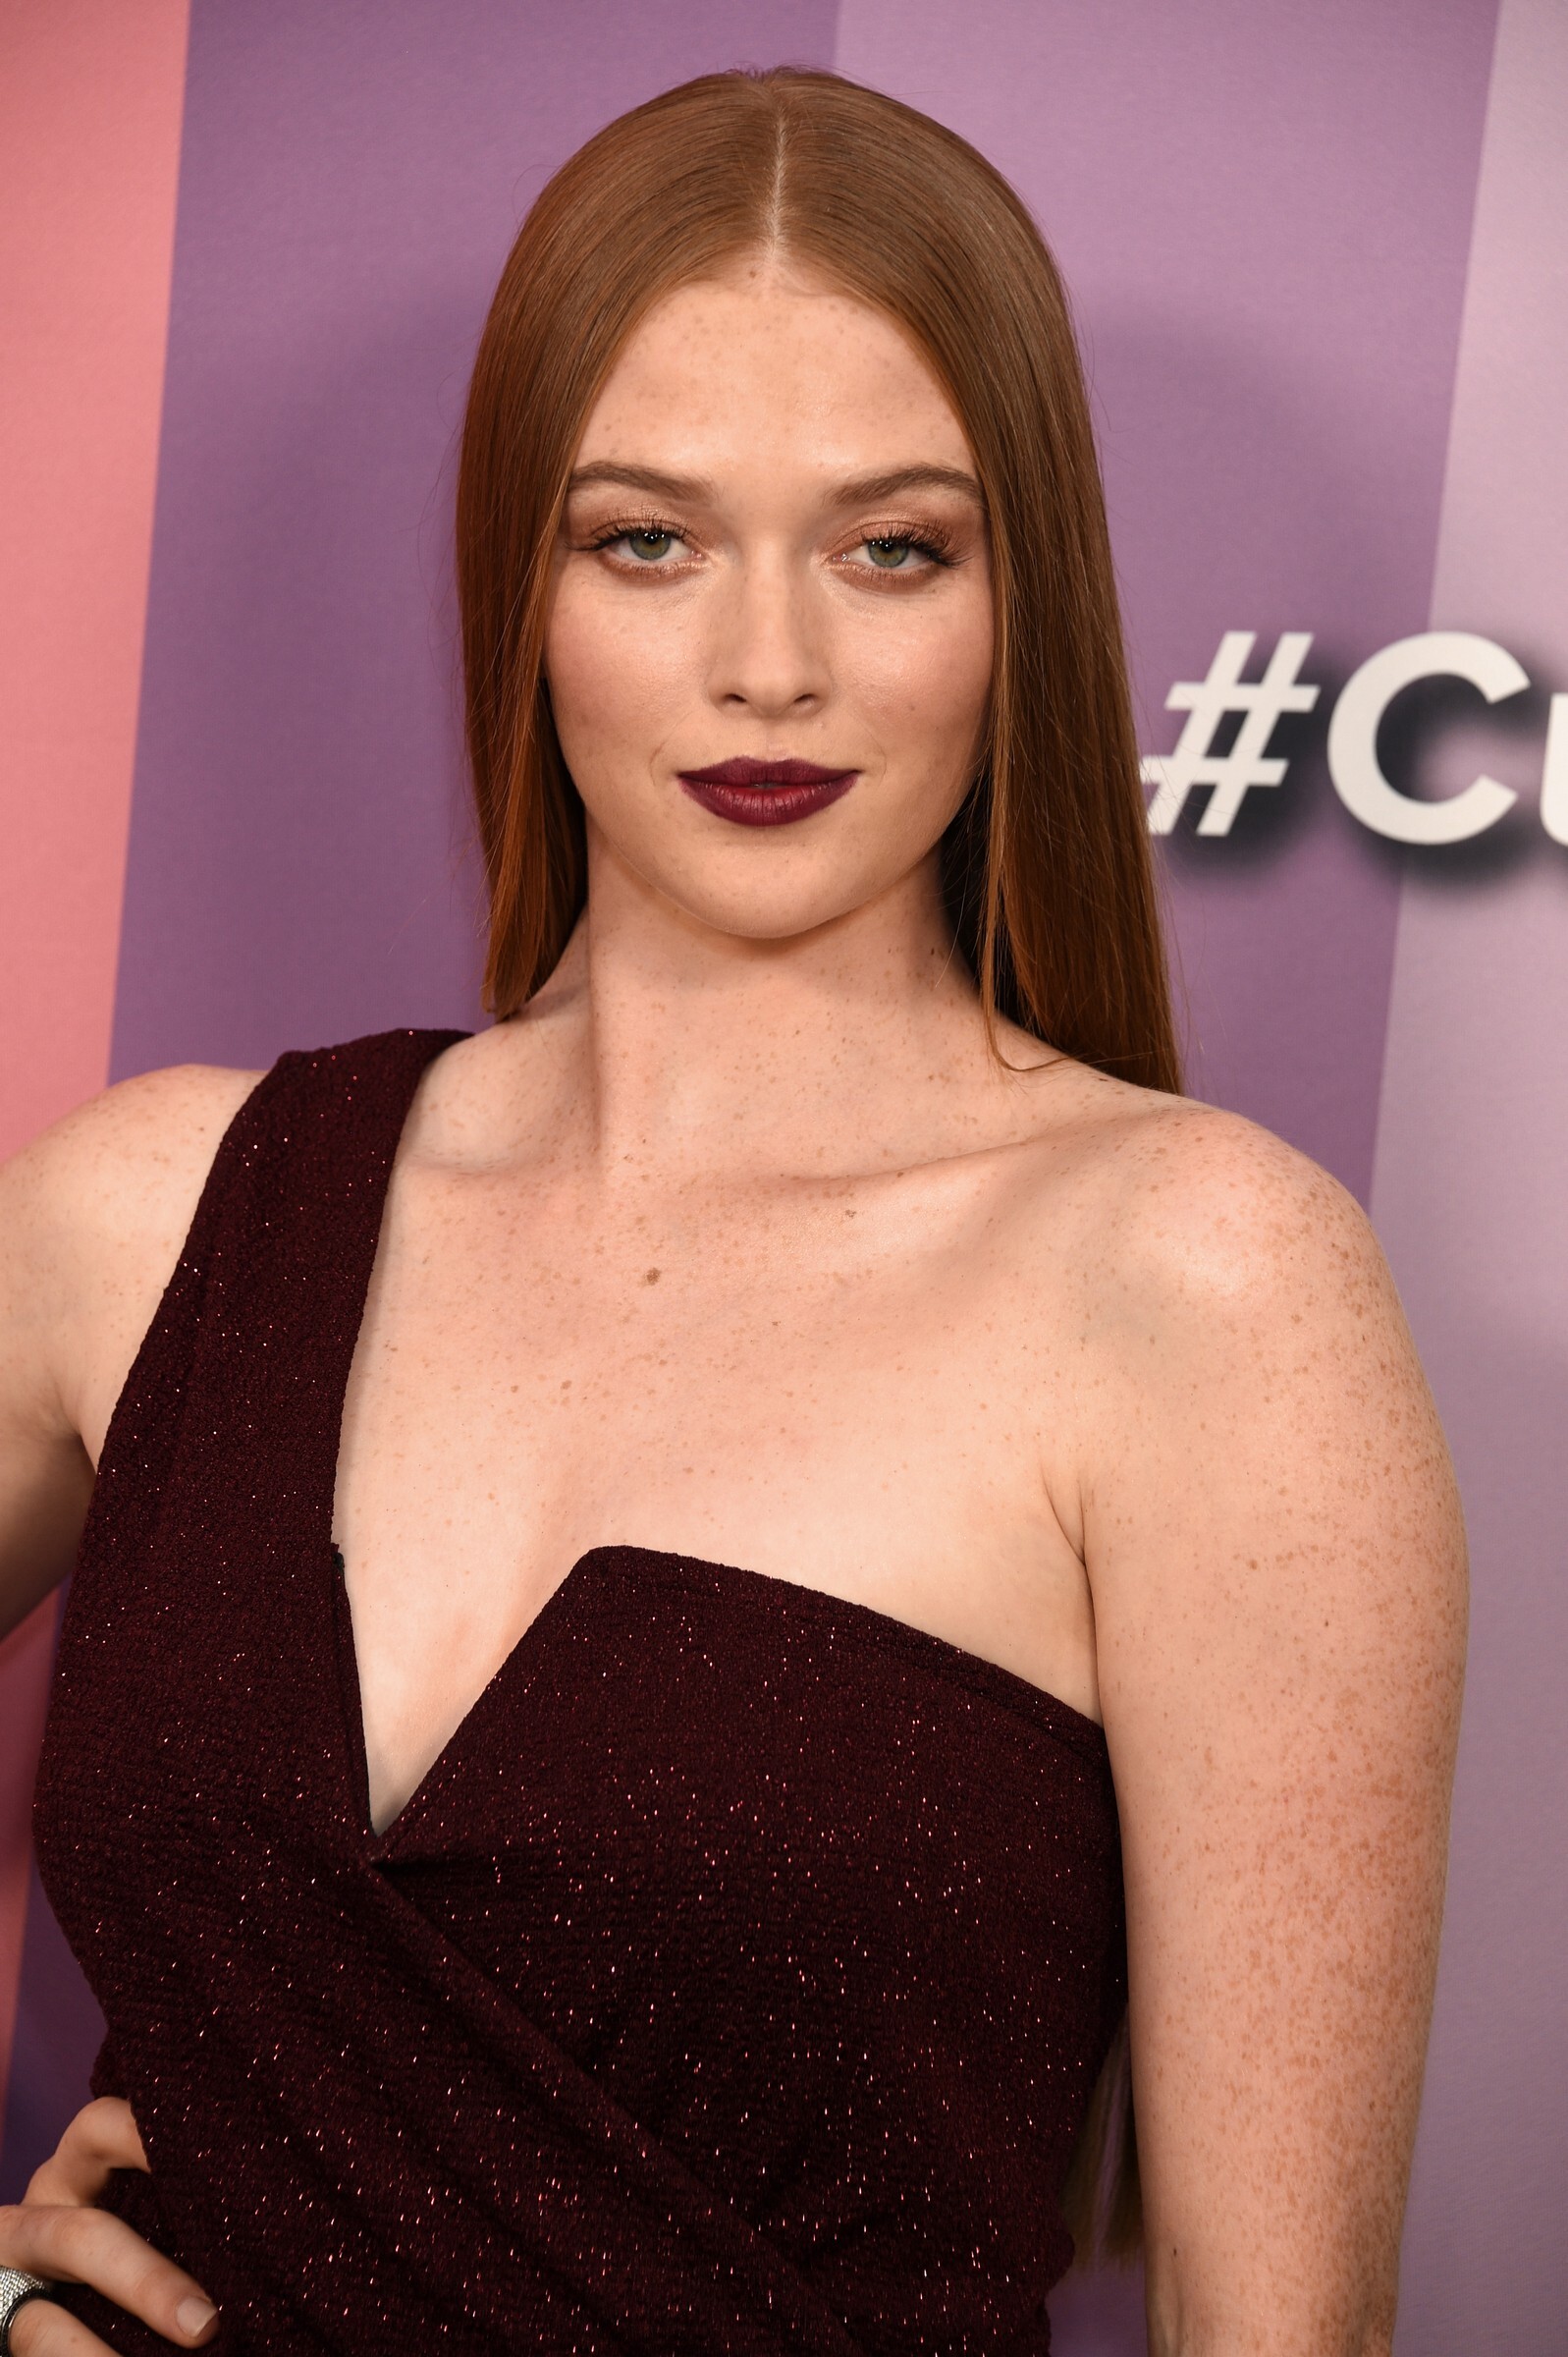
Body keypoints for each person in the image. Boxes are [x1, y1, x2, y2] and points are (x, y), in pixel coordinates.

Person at [0, 64, 1464, 2357]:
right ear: (522, 574)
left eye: (891, 547)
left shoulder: (1202, 1285)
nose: (767, 663)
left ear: (1021, 595)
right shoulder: (151, 1213)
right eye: (647, 541)